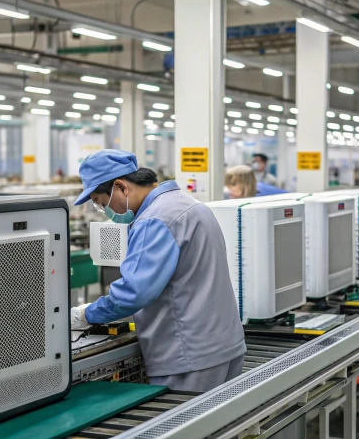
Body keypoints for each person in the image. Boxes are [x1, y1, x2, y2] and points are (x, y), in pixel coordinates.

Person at [70, 150, 246, 392]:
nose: (106, 212)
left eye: (102, 204)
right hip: (223, 343)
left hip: (189, 356)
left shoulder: (155, 219)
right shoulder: (188, 204)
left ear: (121, 187)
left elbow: (133, 293)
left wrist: (84, 314)